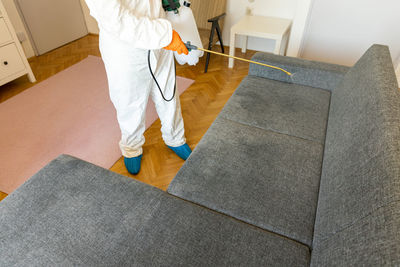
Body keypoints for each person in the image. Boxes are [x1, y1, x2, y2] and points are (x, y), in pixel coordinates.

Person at [85, 0, 192, 174]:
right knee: (130, 103)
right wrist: (164, 35)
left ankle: (175, 138)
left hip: (160, 34)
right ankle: (132, 147)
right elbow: (115, 19)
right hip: (126, 49)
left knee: (168, 93)